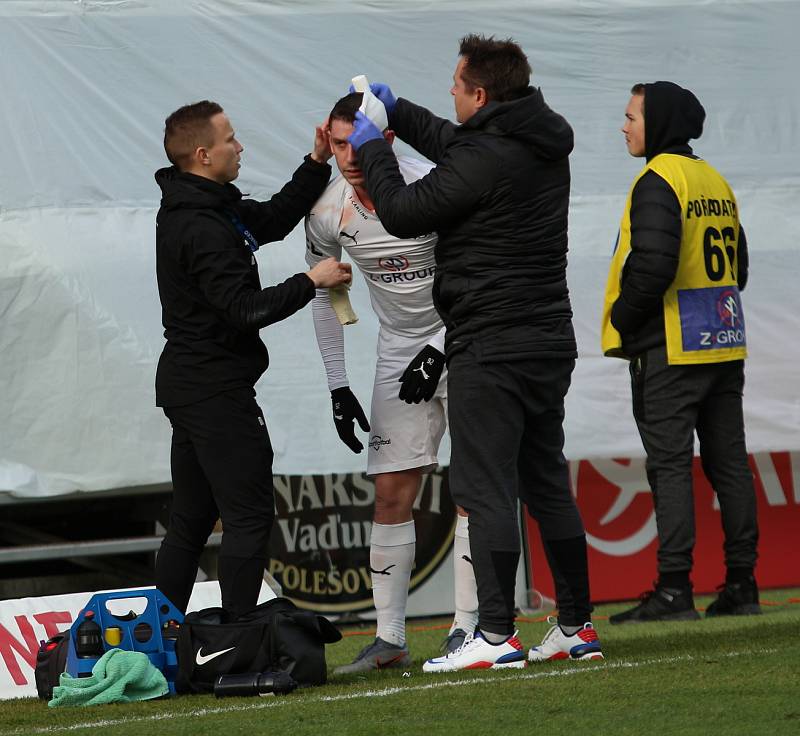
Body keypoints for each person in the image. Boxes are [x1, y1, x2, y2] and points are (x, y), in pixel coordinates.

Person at [345, 35, 603, 671]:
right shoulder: (532, 141)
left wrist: (373, 143)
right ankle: (575, 624)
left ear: (481, 95)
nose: (451, 97)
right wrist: (398, 111)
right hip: (547, 339)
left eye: (456, 87)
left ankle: (492, 635)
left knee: (483, 485)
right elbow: (458, 145)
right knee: (546, 481)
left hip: (494, 339)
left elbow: (403, 210)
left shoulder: (487, 156)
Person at [153, 100, 351, 619]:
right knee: (249, 514)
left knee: (191, 522)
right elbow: (243, 311)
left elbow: (270, 220)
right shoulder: (200, 225)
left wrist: (315, 163)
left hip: (191, 384)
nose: (240, 147)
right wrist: (311, 281)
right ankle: (239, 637)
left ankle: (162, 646)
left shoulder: (209, 205)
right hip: (214, 389)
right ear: (202, 155)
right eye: (230, 140)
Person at [305, 92, 478, 673]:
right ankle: (391, 641)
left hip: (469, 334)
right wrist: (337, 384)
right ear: (325, 142)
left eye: (360, 141)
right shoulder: (327, 212)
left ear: (389, 139)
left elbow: (480, 275)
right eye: (338, 143)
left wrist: (439, 347)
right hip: (399, 348)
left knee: (475, 486)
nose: (350, 156)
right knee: (390, 493)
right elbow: (326, 293)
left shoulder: (432, 183)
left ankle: (468, 630)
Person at [601, 82, 760, 623]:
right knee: (729, 465)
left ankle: (674, 590)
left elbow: (652, 267)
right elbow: (738, 269)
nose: (623, 126)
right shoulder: (712, 179)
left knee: (669, 467)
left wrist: (621, 319)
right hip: (723, 340)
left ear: (659, 122)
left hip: (671, 346)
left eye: (630, 116)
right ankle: (743, 584)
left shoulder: (657, 179)